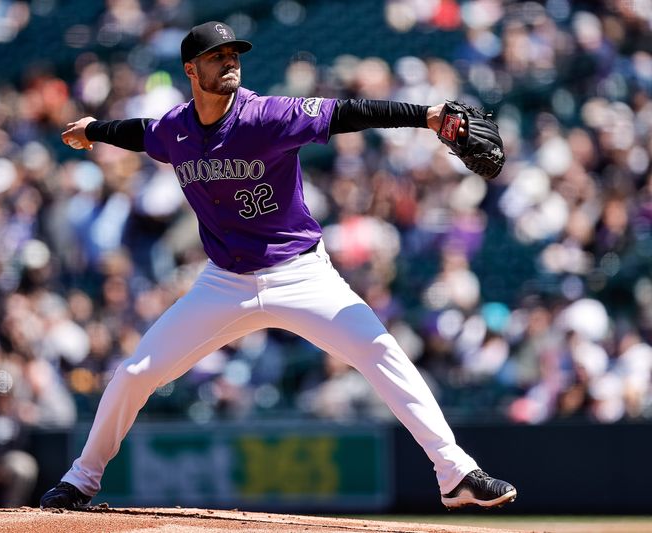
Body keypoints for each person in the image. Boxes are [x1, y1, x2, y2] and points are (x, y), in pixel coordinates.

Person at [42, 21, 516, 510]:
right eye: (216, 56)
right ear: (191, 69)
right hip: (224, 282)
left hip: (301, 274)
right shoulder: (176, 129)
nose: (229, 61)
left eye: (234, 54)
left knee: (380, 351)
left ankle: (455, 472)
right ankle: (81, 479)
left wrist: (428, 116)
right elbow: (143, 134)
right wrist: (94, 130)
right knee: (136, 372)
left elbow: (349, 113)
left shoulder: (267, 114)